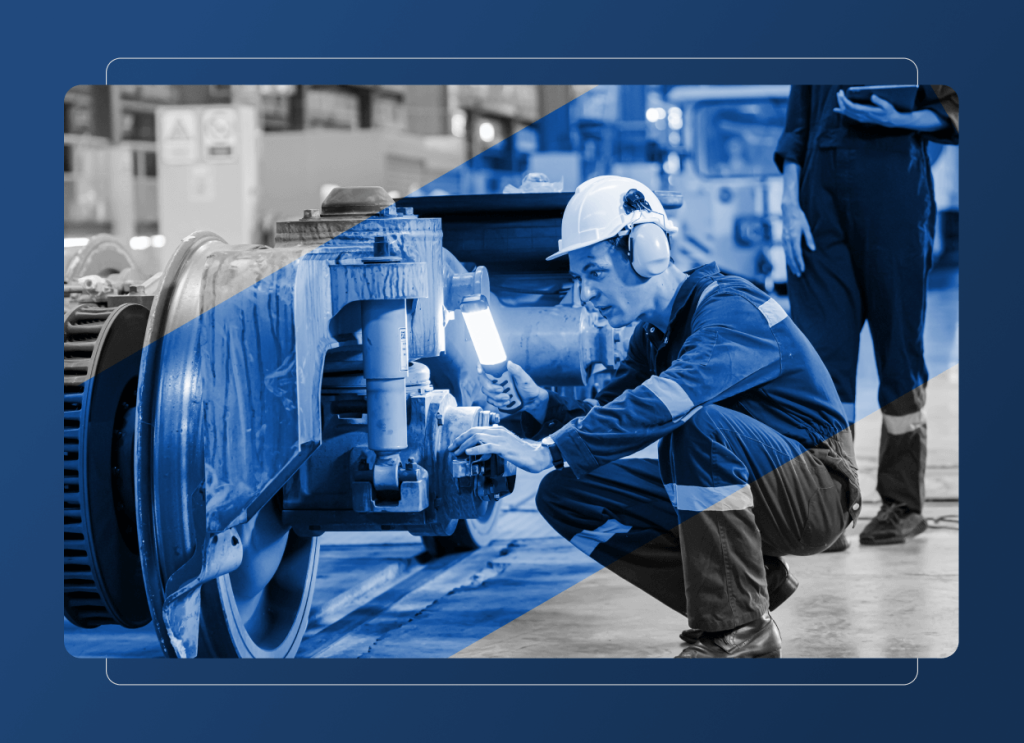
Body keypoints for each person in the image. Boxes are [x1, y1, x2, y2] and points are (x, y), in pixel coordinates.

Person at [449, 175, 861, 658]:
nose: (585, 294)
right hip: (761, 488)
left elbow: (671, 399)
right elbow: (603, 413)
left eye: (595, 273)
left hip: (818, 491)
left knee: (697, 429)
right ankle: (746, 594)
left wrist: (548, 451)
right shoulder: (654, 337)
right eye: (579, 279)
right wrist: (539, 404)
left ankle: (739, 631)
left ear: (646, 251)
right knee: (567, 494)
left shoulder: (730, 309)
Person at [775, 86, 959, 547]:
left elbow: (961, 105)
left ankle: (903, 503)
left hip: (894, 191)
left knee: (898, 353)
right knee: (821, 358)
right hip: (818, 204)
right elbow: (796, 127)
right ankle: (828, 505)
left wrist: (902, 121)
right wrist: (788, 204)